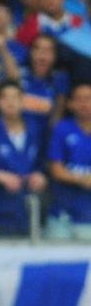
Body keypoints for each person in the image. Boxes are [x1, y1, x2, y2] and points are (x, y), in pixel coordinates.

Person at [0, 81, 46, 237]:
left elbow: (42, 162)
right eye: (5, 97)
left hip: (27, 210)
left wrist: (40, 174)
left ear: (23, 101)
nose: (10, 102)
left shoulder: (36, 130)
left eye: (15, 97)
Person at [46, 83, 91, 240]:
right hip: (62, 215)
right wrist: (83, 179)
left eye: (88, 99)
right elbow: (56, 170)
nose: (84, 104)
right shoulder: (62, 129)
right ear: (70, 104)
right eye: (79, 99)